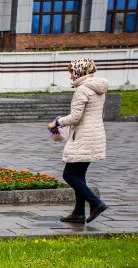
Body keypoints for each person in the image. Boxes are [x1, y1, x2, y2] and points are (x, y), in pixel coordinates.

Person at [47, 58, 109, 224]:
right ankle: (79, 213)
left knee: (69, 174)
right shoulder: (99, 89)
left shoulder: (82, 90)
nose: (71, 77)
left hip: (83, 137)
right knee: (79, 176)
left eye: (72, 73)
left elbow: (75, 117)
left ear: (79, 72)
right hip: (94, 136)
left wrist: (57, 122)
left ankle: (96, 203)